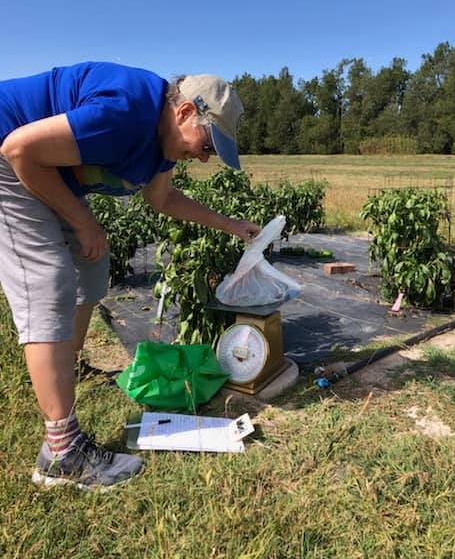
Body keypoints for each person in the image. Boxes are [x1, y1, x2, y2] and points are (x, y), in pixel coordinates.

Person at [0, 61, 260, 491]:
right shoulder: (126, 112)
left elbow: (164, 198)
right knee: (48, 280)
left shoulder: (161, 143)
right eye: (207, 143)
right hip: (7, 156)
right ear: (183, 114)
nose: (202, 157)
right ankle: (62, 454)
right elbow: (18, 150)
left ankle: (67, 366)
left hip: (36, 167)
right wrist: (83, 222)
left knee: (92, 265)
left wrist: (233, 226)